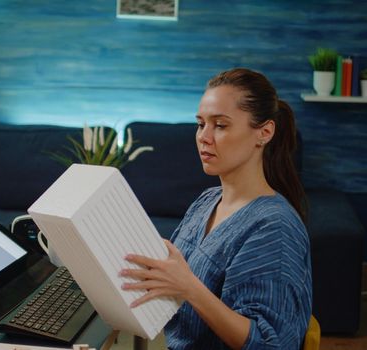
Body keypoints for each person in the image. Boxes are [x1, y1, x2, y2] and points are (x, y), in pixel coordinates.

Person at [120, 68, 312, 349]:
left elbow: (271, 343)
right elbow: (169, 281)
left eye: (220, 125)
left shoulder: (274, 228)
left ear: (265, 132)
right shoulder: (207, 200)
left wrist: (190, 288)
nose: (204, 137)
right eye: (200, 124)